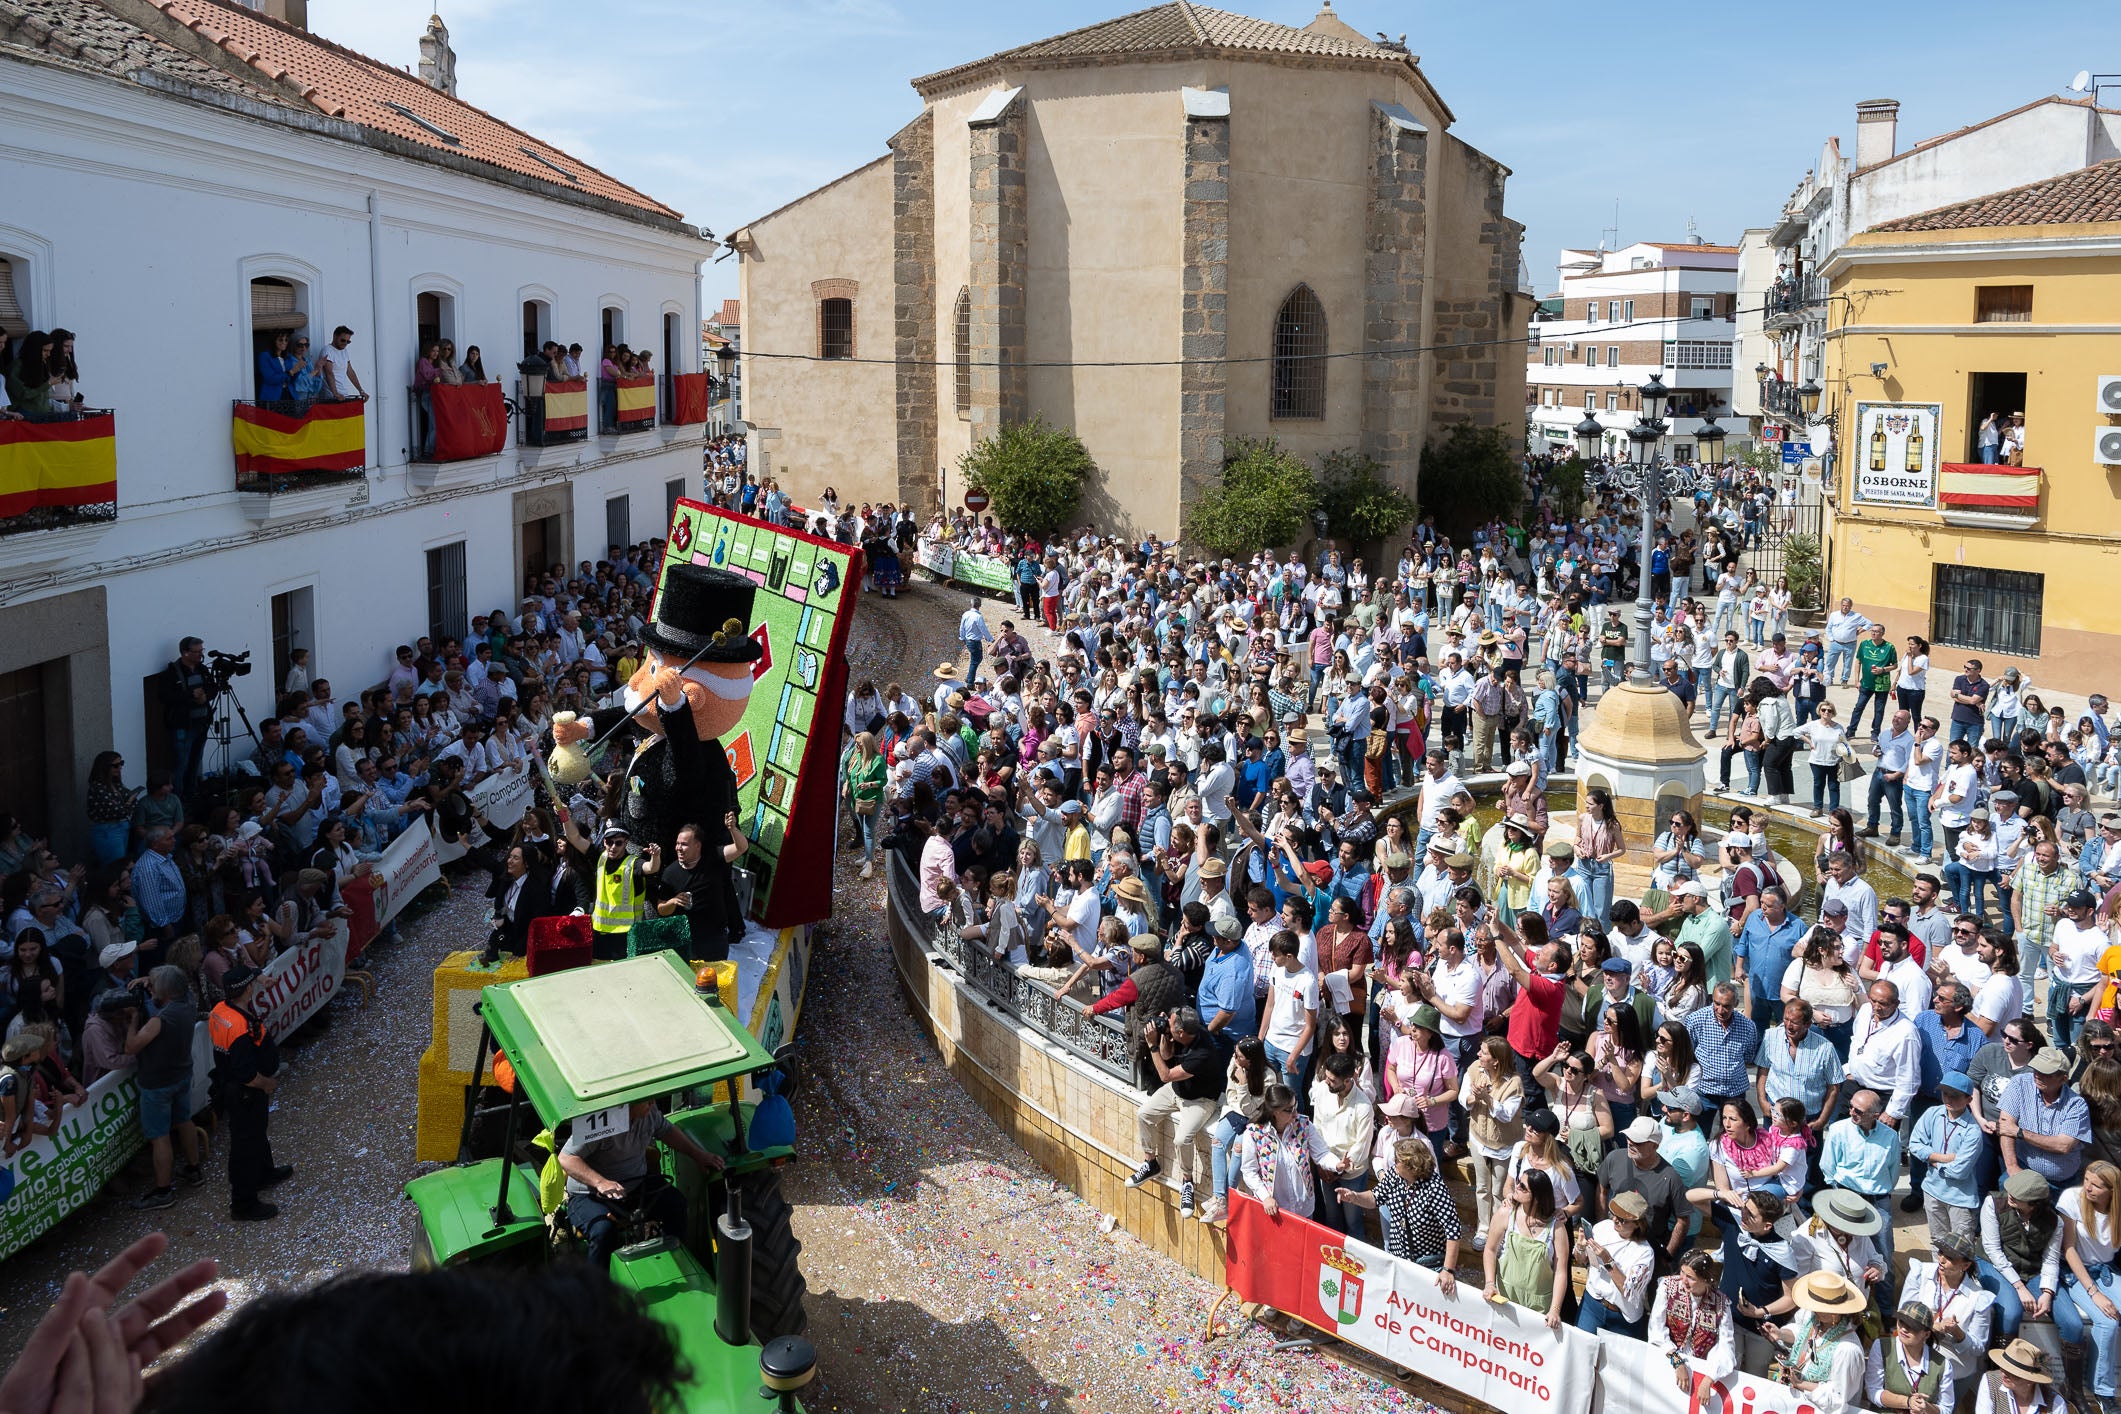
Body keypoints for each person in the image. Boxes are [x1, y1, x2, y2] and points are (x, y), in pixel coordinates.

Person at [559, 1097, 725, 1270]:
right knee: (603, 1231)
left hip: (635, 1183)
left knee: (677, 1204)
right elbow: (566, 1158)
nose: (653, 1103)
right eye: (646, 1100)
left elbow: (667, 1131)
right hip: (592, 1194)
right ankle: (596, 1284)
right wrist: (600, 1182)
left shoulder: (649, 1113)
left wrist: (698, 1155)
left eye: (653, 1099)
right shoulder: (600, 1119)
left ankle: (675, 1265)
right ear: (627, 1102)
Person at [209, 964, 290, 1221]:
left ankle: (264, 1172)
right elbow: (245, 1073)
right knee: (245, 1145)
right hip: (245, 1092)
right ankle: (243, 1204)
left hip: (233, 1088)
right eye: (252, 984)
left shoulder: (221, 1010)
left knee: (256, 1134)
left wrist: (260, 978)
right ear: (247, 990)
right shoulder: (238, 1026)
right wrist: (265, 1083)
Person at [1127, 1007, 1224, 1217]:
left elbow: (1165, 1075)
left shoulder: (1202, 1053)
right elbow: (1167, 1055)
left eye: (1170, 1025)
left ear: (1181, 1032)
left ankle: (1187, 1181)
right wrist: (1164, 1035)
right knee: (1144, 1114)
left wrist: (1152, 1045)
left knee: (1182, 1139)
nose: (1167, 1026)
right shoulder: (1184, 1033)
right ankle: (1150, 1162)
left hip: (1200, 1100)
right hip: (1177, 1090)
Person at [123, 965, 203, 1211]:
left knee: (159, 1137)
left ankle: (163, 1191)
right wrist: (149, 979)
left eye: (153, 986)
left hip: (158, 1085)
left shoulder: (160, 1020)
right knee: (184, 1120)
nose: (150, 990)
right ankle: (193, 1169)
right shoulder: (188, 1002)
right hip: (182, 1074)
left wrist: (133, 1019)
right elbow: (175, 980)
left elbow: (131, 1047)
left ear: (165, 992)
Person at [1337, 1136, 1460, 1283]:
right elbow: (1375, 1197)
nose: (1393, 1162)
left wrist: (1447, 1270)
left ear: (1411, 1165)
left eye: (1397, 1160)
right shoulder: (1395, 1176)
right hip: (1398, 1258)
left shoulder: (1435, 1189)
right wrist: (1354, 1196)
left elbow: (1453, 1230)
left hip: (1426, 1266)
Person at [1897, 1232, 1997, 1406]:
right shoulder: (1921, 1273)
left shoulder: (1978, 1297)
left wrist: (1958, 1334)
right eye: (1941, 1252)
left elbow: (1978, 1348)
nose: (1942, 1259)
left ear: (1965, 1265)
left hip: (1953, 1371)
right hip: (1914, 1357)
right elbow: (1903, 1315)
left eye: (1950, 1257)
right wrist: (1932, 1327)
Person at [1980, 1169, 2076, 1345]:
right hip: (1992, 1262)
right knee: (2011, 1312)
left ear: (2034, 1204)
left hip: (2031, 1268)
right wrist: (2019, 1287)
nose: (2010, 1195)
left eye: (2018, 1195)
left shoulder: (2054, 1222)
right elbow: (1992, 1249)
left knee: (2072, 1324)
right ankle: (2001, 1360)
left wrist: (2047, 1292)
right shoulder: (1993, 1203)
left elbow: (2051, 1259)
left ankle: (2072, 1363)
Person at [1759, 1271, 1870, 1414]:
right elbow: (1802, 1334)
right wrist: (1780, 1334)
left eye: (1818, 1306)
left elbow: (1837, 1398)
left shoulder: (1847, 1350)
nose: (1813, 1309)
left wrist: (1800, 1383)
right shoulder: (1813, 1318)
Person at [2061, 1159, 2121, 1413]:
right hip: (2077, 1272)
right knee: (2107, 1321)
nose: (2088, 1187)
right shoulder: (2071, 1199)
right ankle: (2103, 1392)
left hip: (2107, 1271)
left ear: (2112, 1190)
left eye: (2096, 1185)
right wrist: (2094, 1293)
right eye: (2086, 1180)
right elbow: (2068, 1249)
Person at [1482, 1167, 1569, 1331]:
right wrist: (1489, 1283)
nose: (1517, 1186)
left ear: (1537, 1197)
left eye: (1523, 1186)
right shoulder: (1505, 1214)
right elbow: (1490, 1250)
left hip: (1538, 1307)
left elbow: (1560, 1272)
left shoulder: (1556, 1228)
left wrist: (1555, 1310)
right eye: (1518, 1182)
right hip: (1504, 1298)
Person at [1235, 1083, 1339, 1220]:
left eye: (1295, 1106)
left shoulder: (1304, 1125)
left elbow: (1322, 1153)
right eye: (1290, 1110)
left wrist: (1337, 1164)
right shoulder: (1254, 1133)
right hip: (1274, 1210)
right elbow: (1249, 1171)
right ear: (1275, 1111)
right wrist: (1265, 1197)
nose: (1295, 1113)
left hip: (1303, 1208)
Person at [2002, 1047, 2092, 1191]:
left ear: (2063, 1079)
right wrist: (2012, 1167)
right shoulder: (2020, 1083)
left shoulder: (2076, 1104)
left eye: (2045, 1074)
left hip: (2060, 1183)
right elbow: (2005, 1126)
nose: (2037, 1076)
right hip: (2022, 1170)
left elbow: (2063, 1146)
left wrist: (2020, 1132)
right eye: (2036, 1070)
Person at [1649, 1250, 1738, 1388]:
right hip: (1666, 1359)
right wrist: (1676, 1360)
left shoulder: (1721, 1304)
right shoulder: (1668, 1287)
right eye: (1682, 1272)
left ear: (1705, 1279)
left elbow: (1726, 1346)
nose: (1683, 1280)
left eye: (1690, 1277)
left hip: (1701, 1370)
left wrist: (1710, 1378)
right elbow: (1656, 1328)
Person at [1577, 1189, 1656, 1337]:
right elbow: (1582, 1261)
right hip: (1592, 1303)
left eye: (1622, 1219)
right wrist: (1580, 1248)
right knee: (1580, 1346)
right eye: (1613, 1214)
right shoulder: (1602, 1227)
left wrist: (1608, 1261)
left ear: (1637, 1224)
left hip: (1622, 1317)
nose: (1614, 1220)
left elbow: (1629, 1292)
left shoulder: (1645, 1253)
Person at [1863, 1301, 1949, 1414]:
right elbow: (1872, 1390)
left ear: (1926, 1334)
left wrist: (1926, 1407)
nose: (1904, 1329)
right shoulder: (1882, 1347)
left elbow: (1946, 1409)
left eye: (1912, 1327)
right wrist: (1907, 1402)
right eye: (1901, 1322)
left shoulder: (1943, 1365)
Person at [1974, 1339, 2072, 1414]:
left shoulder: (2055, 1402)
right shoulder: (1990, 1382)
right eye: (2002, 1368)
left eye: (2013, 1373)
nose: (2004, 1374)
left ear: (2031, 1380)